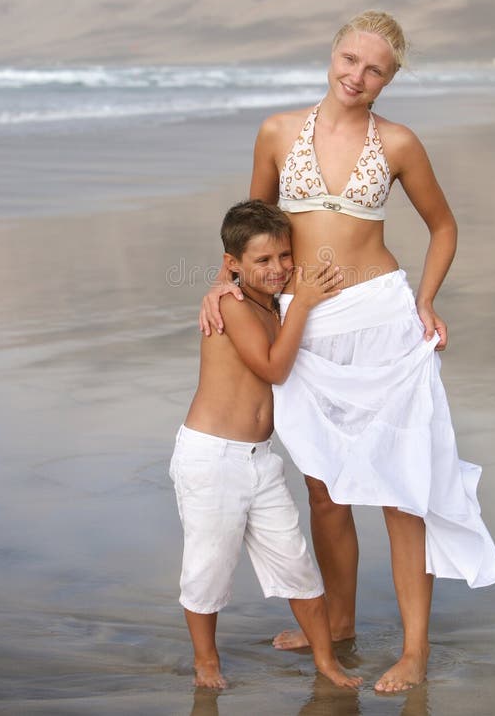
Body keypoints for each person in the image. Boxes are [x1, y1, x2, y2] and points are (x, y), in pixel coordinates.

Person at [199, 10, 495, 693]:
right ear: (331, 54)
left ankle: (415, 650)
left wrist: (425, 299)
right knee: (325, 487)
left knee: (404, 491)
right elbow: (251, 229)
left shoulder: (397, 143)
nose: (356, 77)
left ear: (390, 78)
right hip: (306, 329)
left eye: (374, 70)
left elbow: (443, 226)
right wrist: (219, 286)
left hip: (384, 323)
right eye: (348, 60)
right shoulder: (277, 132)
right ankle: (338, 624)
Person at [169, 200, 362, 691]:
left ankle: (326, 662)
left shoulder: (272, 303)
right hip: (212, 457)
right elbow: (274, 368)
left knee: (297, 562)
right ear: (232, 264)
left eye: (283, 257)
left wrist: (297, 302)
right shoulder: (231, 305)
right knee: (208, 565)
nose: (277, 269)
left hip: (260, 460)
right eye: (262, 261)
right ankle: (206, 660)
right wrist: (304, 305)